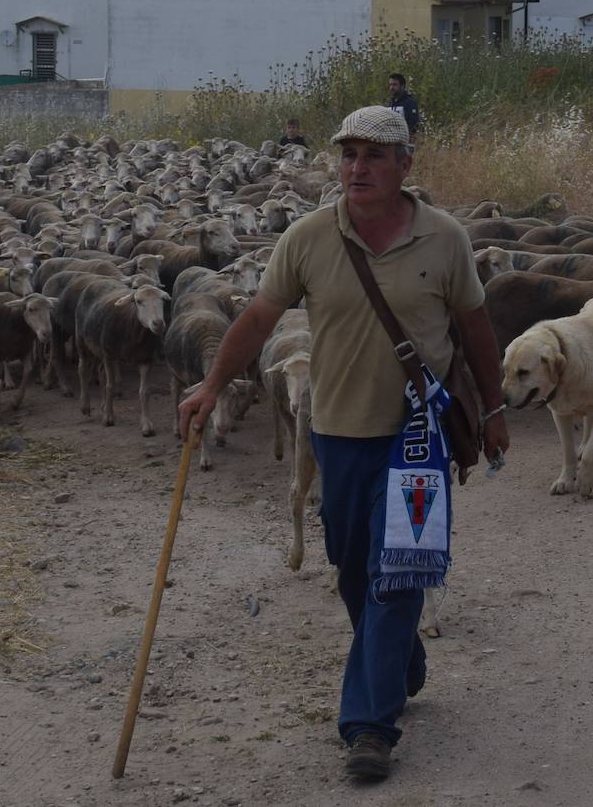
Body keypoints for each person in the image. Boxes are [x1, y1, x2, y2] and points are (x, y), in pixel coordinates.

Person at [178, 105, 510, 783]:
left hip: (416, 436)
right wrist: (212, 382)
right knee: (352, 564)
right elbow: (257, 318)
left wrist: (495, 405)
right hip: (336, 431)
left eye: (374, 155)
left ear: (405, 165)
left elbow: (476, 328)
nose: (358, 167)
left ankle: (367, 724)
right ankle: (403, 660)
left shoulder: (445, 239)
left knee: (397, 573)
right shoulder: (306, 238)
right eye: (349, 154)